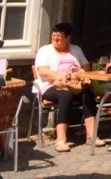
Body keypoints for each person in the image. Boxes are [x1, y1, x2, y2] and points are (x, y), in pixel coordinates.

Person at [33, 22, 102, 152]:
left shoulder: (76, 49)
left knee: (88, 92)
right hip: (49, 85)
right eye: (53, 36)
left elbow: (86, 66)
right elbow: (42, 71)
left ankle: (91, 135)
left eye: (59, 37)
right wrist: (62, 77)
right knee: (65, 94)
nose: (55, 39)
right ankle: (60, 139)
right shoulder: (45, 50)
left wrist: (79, 73)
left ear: (67, 38)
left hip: (73, 85)